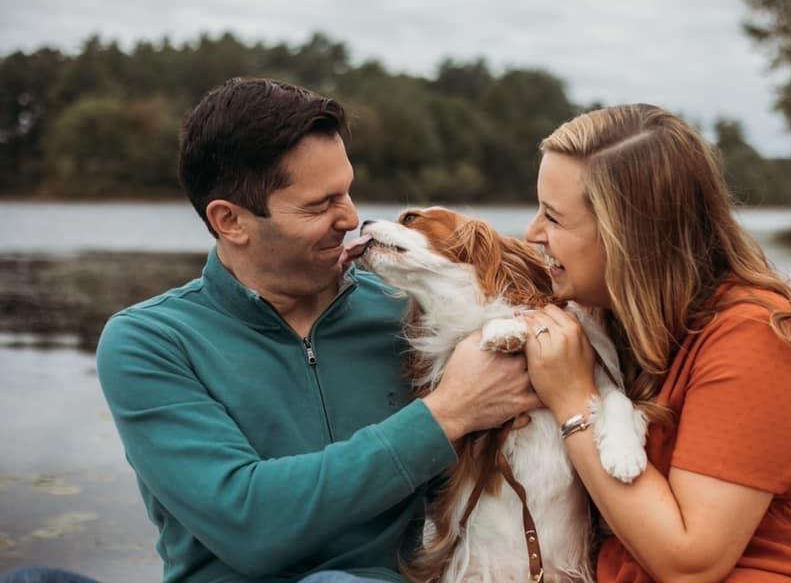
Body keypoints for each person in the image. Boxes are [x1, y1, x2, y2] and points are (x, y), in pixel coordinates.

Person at [89, 77, 540, 583]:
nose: (351, 218)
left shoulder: (407, 313)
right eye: (319, 205)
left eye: (346, 191)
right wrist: (448, 413)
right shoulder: (150, 342)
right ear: (230, 221)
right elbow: (249, 524)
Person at [519, 104, 791, 582]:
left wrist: (574, 400)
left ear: (629, 238)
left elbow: (690, 563)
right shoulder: (603, 316)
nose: (532, 233)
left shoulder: (756, 337)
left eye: (553, 218)